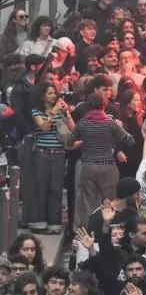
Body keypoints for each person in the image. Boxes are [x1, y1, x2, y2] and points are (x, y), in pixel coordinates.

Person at [70, 92, 135, 230]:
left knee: (88, 203)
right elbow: (130, 140)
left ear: (88, 106)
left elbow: (70, 142)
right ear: (104, 105)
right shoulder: (110, 123)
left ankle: (90, 234)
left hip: (88, 166)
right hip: (108, 167)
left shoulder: (82, 123)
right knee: (109, 203)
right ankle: (108, 232)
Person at [29, 81, 75, 233]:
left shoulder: (60, 111)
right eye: (49, 93)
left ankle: (54, 223)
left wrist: (67, 113)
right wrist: (53, 112)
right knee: (41, 187)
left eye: (54, 93)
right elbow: (44, 127)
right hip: (42, 153)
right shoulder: (37, 111)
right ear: (42, 96)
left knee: (56, 188)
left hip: (59, 154)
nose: (53, 95)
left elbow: (73, 130)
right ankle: (39, 222)